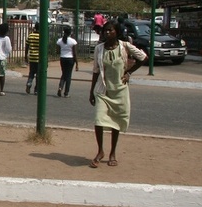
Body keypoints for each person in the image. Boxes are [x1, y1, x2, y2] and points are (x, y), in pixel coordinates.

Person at [88, 20, 147, 168]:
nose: (107, 33)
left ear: (117, 32)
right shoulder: (99, 49)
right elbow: (96, 71)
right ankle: (100, 151)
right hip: (103, 90)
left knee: (116, 122)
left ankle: (112, 153)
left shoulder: (125, 46)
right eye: (105, 30)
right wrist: (91, 92)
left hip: (120, 90)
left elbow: (143, 57)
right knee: (98, 120)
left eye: (111, 30)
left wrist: (129, 72)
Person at [56, 26, 79, 98]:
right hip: (70, 59)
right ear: (70, 32)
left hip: (62, 58)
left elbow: (57, 51)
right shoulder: (72, 41)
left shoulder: (60, 40)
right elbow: (74, 53)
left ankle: (60, 87)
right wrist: (77, 63)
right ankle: (66, 92)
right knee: (68, 76)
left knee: (64, 74)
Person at [24, 22, 40, 95]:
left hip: (32, 57)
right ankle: (36, 89)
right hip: (39, 58)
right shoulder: (41, 36)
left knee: (31, 73)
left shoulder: (30, 35)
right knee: (38, 75)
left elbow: (27, 47)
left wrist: (26, 56)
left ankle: (29, 84)